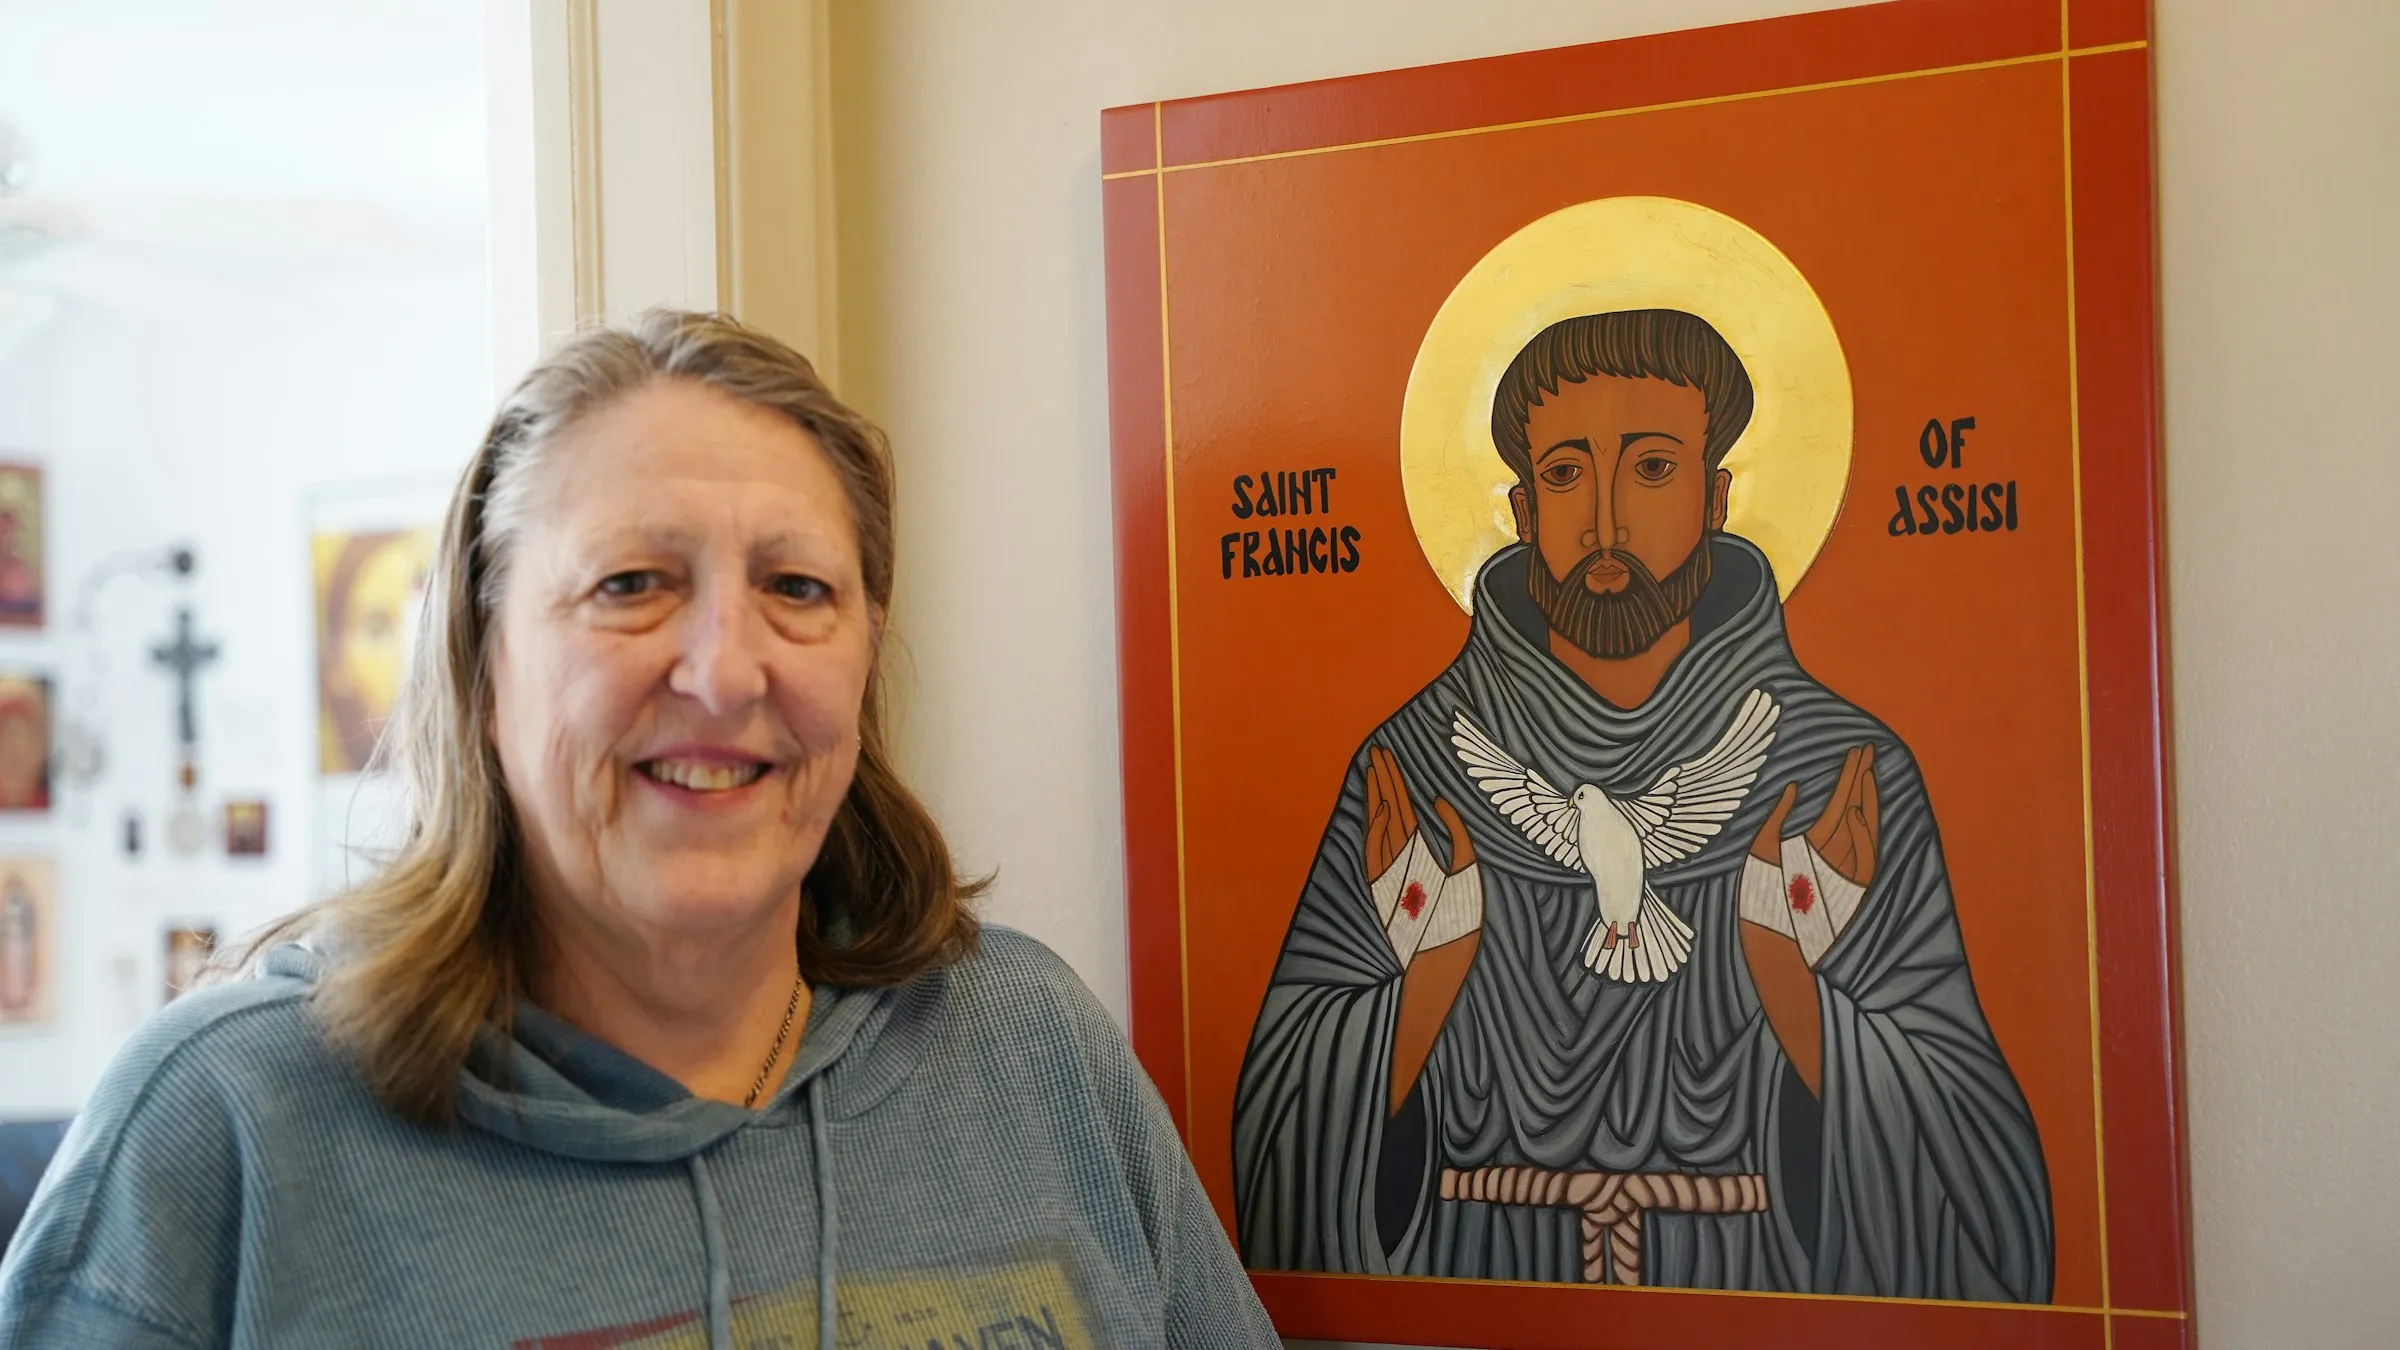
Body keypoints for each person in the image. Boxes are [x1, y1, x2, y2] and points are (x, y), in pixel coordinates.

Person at [0, 311, 1277, 1349]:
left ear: (864, 656)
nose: (726, 672)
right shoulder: (222, 1133)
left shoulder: (1029, 1051)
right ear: (484, 667)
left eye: (797, 588)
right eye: (630, 585)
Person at [1231, 309, 2053, 1299]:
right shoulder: (1412, 769)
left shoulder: (1838, 771)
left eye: (1652, 469)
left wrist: (1789, 981)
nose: (1606, 524)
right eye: (1568, 474)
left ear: (1716, 498)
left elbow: (1972, 1160)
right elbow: (1281, 1131)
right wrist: (1429, 976)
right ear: (1523, 508)